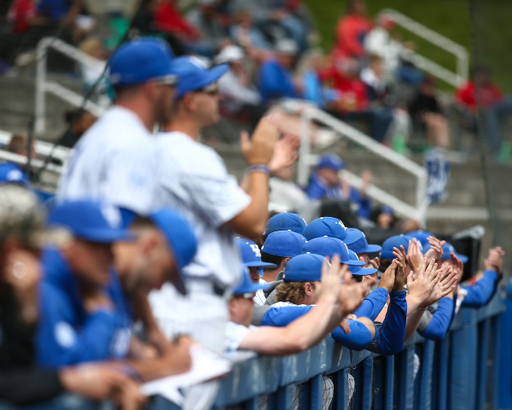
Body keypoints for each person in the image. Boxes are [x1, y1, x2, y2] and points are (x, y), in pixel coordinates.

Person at [149, 55, 280, 410]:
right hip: (189, 301)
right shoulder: (189, 155)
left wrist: (262, 172)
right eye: (211, 89)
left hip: (178, 297)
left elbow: (226, 214)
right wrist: (259, 164)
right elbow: (254, 225)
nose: (218, 96)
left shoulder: (163, 150)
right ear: (190, 100)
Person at [0, 185, 144, 409]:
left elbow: (13, 368)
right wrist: (67, 380)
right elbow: (50, 370)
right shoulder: (46, 286)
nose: (45, 253)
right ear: (12, 251)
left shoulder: (21, 289)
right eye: (37, 247)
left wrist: (26, 315)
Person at [57, 38, 179, 223]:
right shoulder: (132, 141)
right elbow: (122, 228)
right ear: (153, 89)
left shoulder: (105, 130)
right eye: (172, 84)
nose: (176, 92)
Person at [36, 200, 134, 368]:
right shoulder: (44, 287)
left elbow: (118, 348)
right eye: (100, 245)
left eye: (110, 245)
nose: (112, 256)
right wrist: (103, 316)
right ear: (67, 243)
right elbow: (71, 374)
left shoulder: (91, 280)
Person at [110, 210, 199, 378]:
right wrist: (165, 366)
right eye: (166, 274)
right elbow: (86, 369)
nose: (159, 287)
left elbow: (128, 351)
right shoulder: (97, 277)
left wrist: (171, 347)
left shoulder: (127, 288)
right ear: (150, 247)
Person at [455, 65, 512, 156]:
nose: (484, 77)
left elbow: (501, 103)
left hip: (494, 116)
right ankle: (498, 151)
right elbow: (458, 104)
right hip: (475, 118)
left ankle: (500, 151)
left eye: (486, 74)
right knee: (490, 112)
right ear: (476, 75)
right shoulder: (468, 88)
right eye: (482, 74)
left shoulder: (492, 89)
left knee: (508, 99)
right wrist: (472, 108)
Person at [306, 154, 373, 218]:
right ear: (323, 171)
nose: (337, 174)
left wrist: (363, 196)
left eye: (338, 171)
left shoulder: (337, 186)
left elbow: (362, 214)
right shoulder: (314, 190)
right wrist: (344, 195)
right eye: (334, 171)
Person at [409, 76, 450, 149]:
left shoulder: (432, 98)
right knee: (433, 121)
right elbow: (414, 109)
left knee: (441, 121)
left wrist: (435, 98)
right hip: (420, 117)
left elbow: (438, 110)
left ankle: (442, 145)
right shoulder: (418, 95)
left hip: (432, 116)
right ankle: (436, 145)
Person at [258, 39, 300, 103]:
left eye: (292, 57)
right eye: (289, 57)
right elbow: (271, 87)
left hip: (284, 102)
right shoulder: (270, 66)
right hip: (270, 104)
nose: (291, 60)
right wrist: (292, 85)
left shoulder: (284, 68)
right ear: (281, 55)